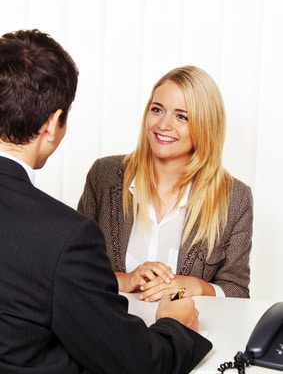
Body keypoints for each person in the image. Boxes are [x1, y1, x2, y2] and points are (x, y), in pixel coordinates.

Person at [0, 30, 212, 373]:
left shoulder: (234, 195)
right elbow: (136, 362)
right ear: (53, 123)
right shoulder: (64, 237)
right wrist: (175, 325)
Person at [78, 65, 253, 302]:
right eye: (157, 110)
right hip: (108, 329)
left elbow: (237, 291)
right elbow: (75, 268)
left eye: (181, 116)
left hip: (184, 334)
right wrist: (124, 280)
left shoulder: (234, 198)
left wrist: (188, 287)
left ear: (205, 126)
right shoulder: (105, 175)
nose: (163, 125)